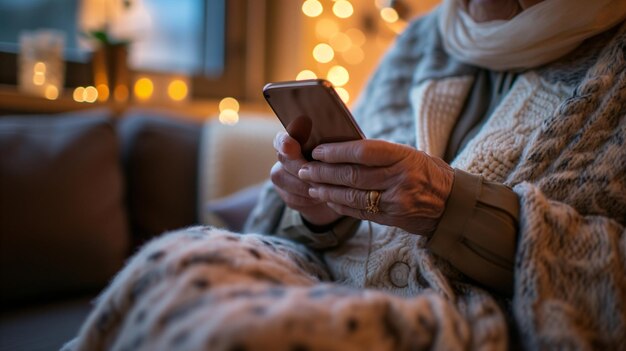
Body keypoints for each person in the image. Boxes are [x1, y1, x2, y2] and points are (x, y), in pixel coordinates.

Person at [65, 0, 626, 350]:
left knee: (235, 335)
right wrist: (320, 208)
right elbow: (348, 211)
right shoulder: (423, 40)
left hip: (464, 312)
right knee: (173, 264)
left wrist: (449, 205)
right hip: (324, 269)